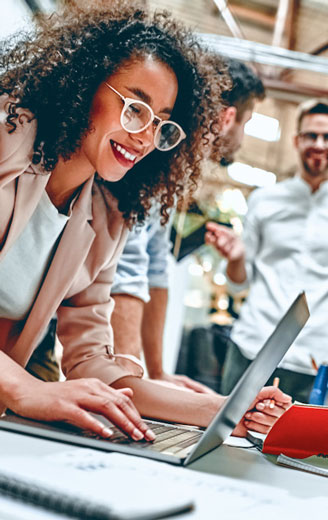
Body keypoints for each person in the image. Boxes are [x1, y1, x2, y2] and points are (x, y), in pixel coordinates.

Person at [0, 1, 290, 440]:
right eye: (135, 108)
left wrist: (226, 409)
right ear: (83, 84)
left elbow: (94, 362)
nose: (145, 137)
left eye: (162, 124)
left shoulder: (106, 218)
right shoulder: (7, 138)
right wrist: (25, 388)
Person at [206, 98, 328, 402]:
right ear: (296, 140)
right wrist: (237, 258)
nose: (319, 144)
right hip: (253, 347)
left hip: (316, 358)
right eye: (311, 135)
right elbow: (239, 281)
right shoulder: (264, 200)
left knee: (300, 449)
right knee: (229, 441)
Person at [109, 59, 265, 391]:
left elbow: (155, 266)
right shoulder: (155, 157)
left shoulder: (177, 172)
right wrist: (133, 383)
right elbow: (129, 265)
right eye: (247, 122)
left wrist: (156, 372)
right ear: (227, 118)